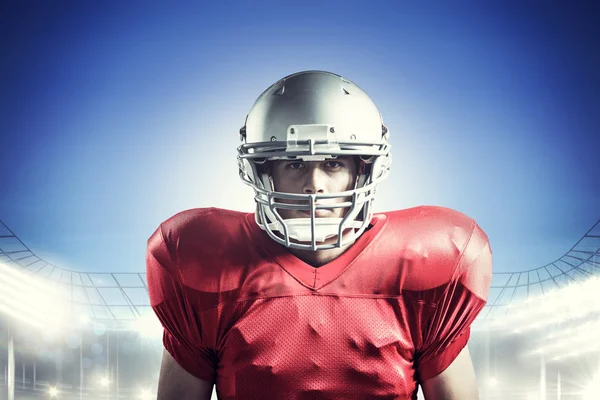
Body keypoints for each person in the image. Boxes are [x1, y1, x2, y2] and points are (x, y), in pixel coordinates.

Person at [146, 70, 493, 399]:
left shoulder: (428, 264)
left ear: (364, 170)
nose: (314, 185)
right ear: (262, 172)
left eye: (333, 163)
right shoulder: (202, 261)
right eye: (294, 164)